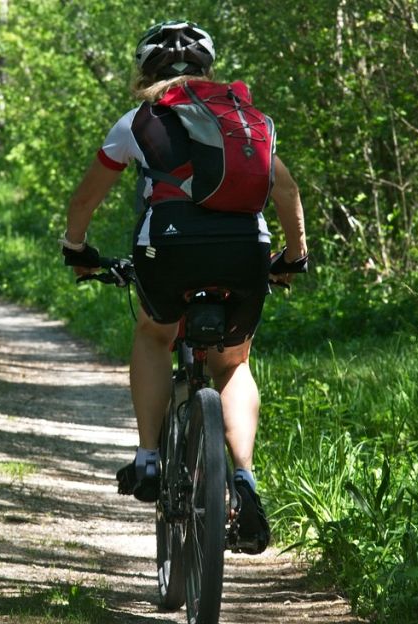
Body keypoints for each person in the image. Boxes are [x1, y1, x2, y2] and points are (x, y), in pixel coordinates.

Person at [60, 21, 308, 554]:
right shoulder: (245, 120)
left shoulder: (137, 122)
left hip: (168, 251)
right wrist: (293, 258)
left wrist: (76, 250)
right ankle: (244, 478)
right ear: (207, 69)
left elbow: (84, 202)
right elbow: (285, 188)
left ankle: (149, 458)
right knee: (233, 364)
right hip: (245, 250)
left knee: (154, 333)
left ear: (145, 72)